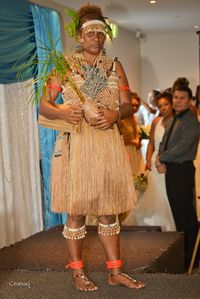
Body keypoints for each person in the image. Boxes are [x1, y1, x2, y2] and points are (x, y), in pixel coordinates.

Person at [39, 4, 144, 291]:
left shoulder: (114, 65)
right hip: (77, 142)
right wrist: (62, 113)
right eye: (90, 33)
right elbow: (43, 105)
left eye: (101, 33)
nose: (96, 38)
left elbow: (126, 106)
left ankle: (115, 271)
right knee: (77, 210)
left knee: (108, 209)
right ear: (80, 36)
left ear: (105, 35)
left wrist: (115, 115)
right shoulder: (64, 66)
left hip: (106, 141)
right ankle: (77, 272)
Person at [156, 81, 200, 267]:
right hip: (172, 170)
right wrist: (160, 159)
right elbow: (164, 141)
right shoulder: (174, 118)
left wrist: (162, 158)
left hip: (182, 169)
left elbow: (182, 147)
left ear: (189, 100)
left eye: (182, 98)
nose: (178, 101)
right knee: (177, 213)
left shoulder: (191, 120)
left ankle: (194, 256)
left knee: (186, 215)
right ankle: (185, 253)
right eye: (175, 97)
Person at [122, 92, 176, 230]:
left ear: (171, 105)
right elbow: (151, 143)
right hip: (154, 161)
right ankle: (153, 224)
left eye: (166, 104)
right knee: (153, 192)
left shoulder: (177, 121)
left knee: (166, 193)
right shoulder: (156, 121)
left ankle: (170, 224)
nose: (163, 108)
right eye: (160, 106)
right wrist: (147, 159)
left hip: (169, 161)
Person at [119, 92, 145, 176]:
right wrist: (132, 141)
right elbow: (117, 140)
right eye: (132, 105)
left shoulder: (134, 118)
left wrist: (138, 141)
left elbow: (135, 135)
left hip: (136, 152)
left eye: (137, 106)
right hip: (125, 153)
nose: (135, 108)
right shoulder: (121, 119)